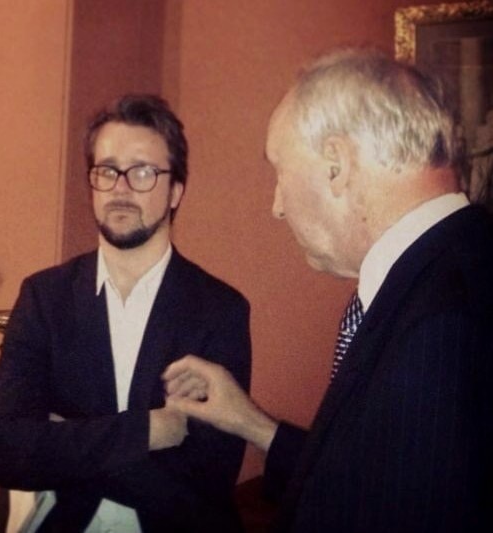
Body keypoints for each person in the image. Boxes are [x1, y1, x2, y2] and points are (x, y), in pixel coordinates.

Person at [164, 47, 493, 532]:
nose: (277, 206)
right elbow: (374, 483)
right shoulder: (447, 269)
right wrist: (252, 424)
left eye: (279, 171)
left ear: (336, 163)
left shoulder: (445, 323)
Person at [0, 94, 251, 532]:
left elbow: (206, 480)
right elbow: (8, 452)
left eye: (143, 172)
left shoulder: (220, 309)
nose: (121, 188)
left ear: (176, 191)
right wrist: (149, 430)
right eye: (107, 171)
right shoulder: (44, 297)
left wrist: (66, 439)